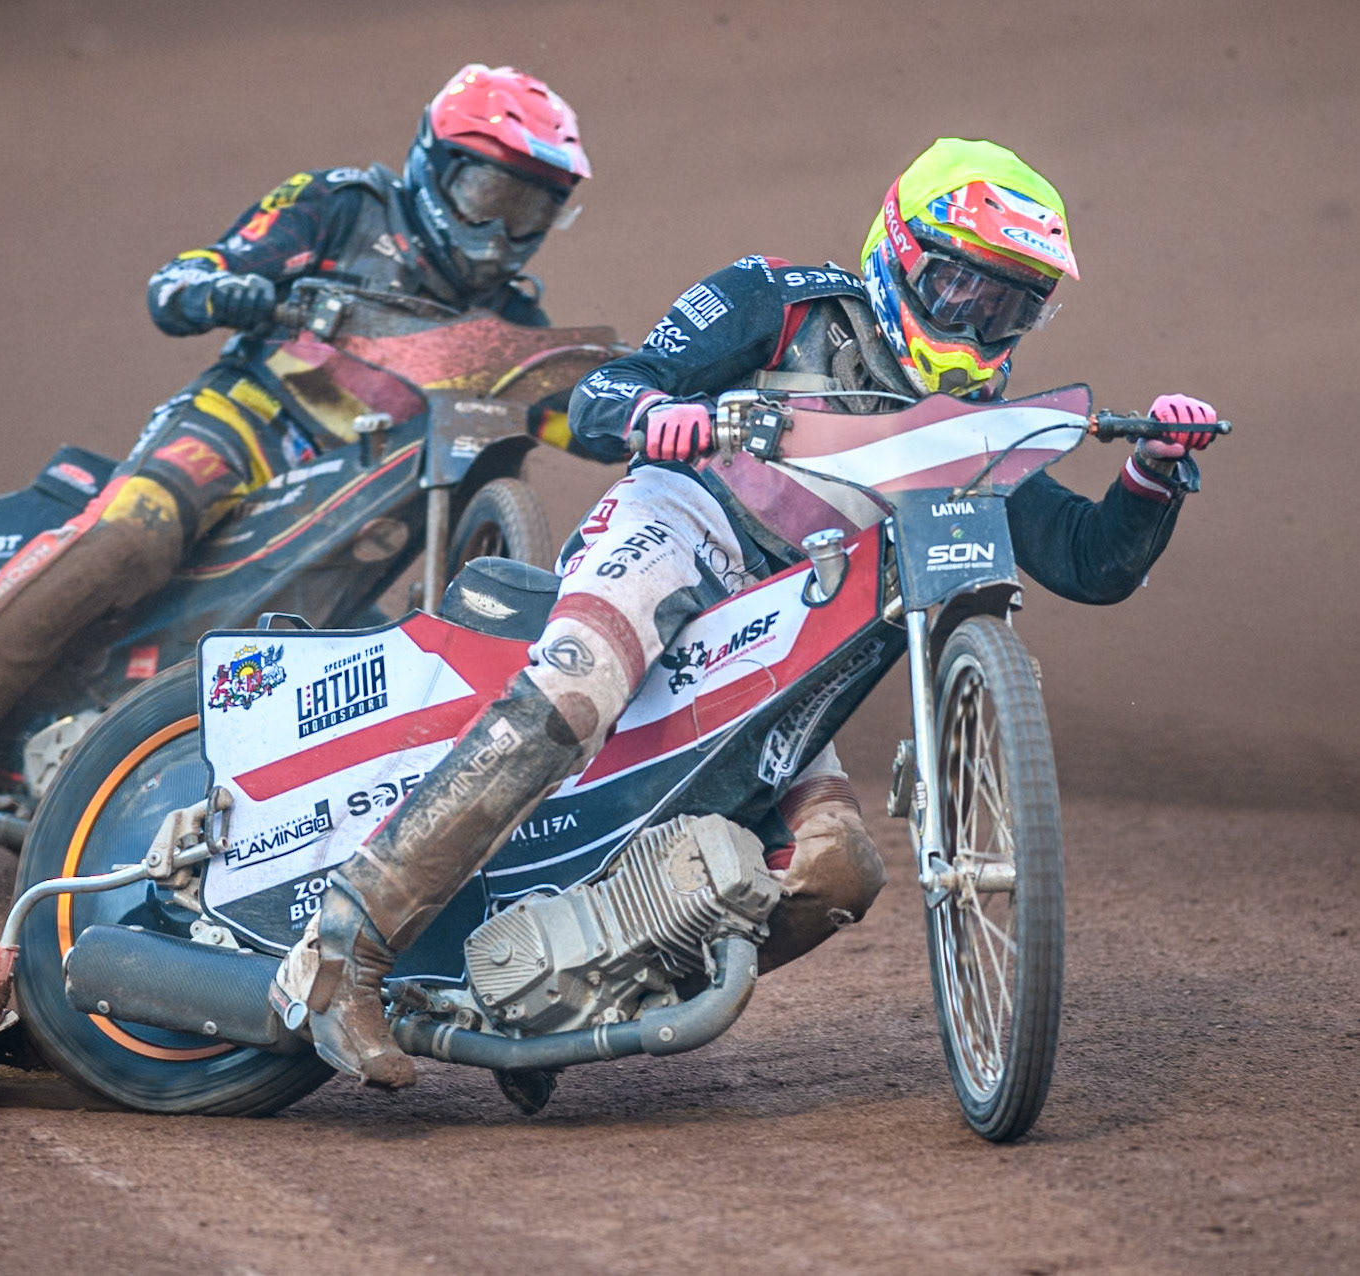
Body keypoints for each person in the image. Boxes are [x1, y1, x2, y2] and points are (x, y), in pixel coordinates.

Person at [274, 137, 1224, 1089]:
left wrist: (1152, 476)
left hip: (781, 635)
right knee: (575, 690)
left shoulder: (972, 421)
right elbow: (605, 387)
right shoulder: (779, 298)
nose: (978, 320)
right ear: (897, 252)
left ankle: (577, 990)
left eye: (1009, 303)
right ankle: (337, 956)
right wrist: (655, 413)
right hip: (681, 529)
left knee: (838, 870)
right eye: (960, 288)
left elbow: (1085, 563)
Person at [0, 65, 593, 860]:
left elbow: (565, 418)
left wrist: (655, 416)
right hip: (246, 421)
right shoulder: (341, 206)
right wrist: (227, 292)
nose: (503, 230)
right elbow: (180, 282)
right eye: (491, 196)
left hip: (355, 489)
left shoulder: (510, 319)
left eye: (530, 210)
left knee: (341, 658)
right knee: (139, 533)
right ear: (435, 166)